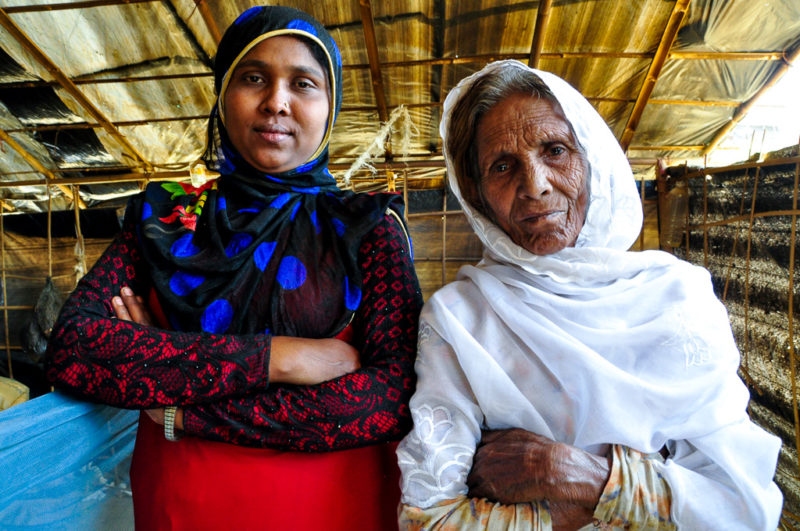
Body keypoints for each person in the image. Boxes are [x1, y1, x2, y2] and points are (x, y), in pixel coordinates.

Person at [45, 6, 422, 530]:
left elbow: (387, 400)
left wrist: (178, 405)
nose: (276, 102)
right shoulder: (166, 217)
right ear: (223, 97)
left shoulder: (366, 227)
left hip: (330, 512)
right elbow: (76, 350)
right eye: (253, 78)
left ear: (330, 106)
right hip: (182, 509)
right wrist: (282, 358)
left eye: (304, 83)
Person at [396, 60, 782, 530]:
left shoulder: (679, 296)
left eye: (556, 150)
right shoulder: (460, 319)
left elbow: (744, 509)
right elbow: (428, 518)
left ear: (592, 158)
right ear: (477, 195)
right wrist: (652, 497)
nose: (535, 184)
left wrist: (571, 476)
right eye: (502, 166)